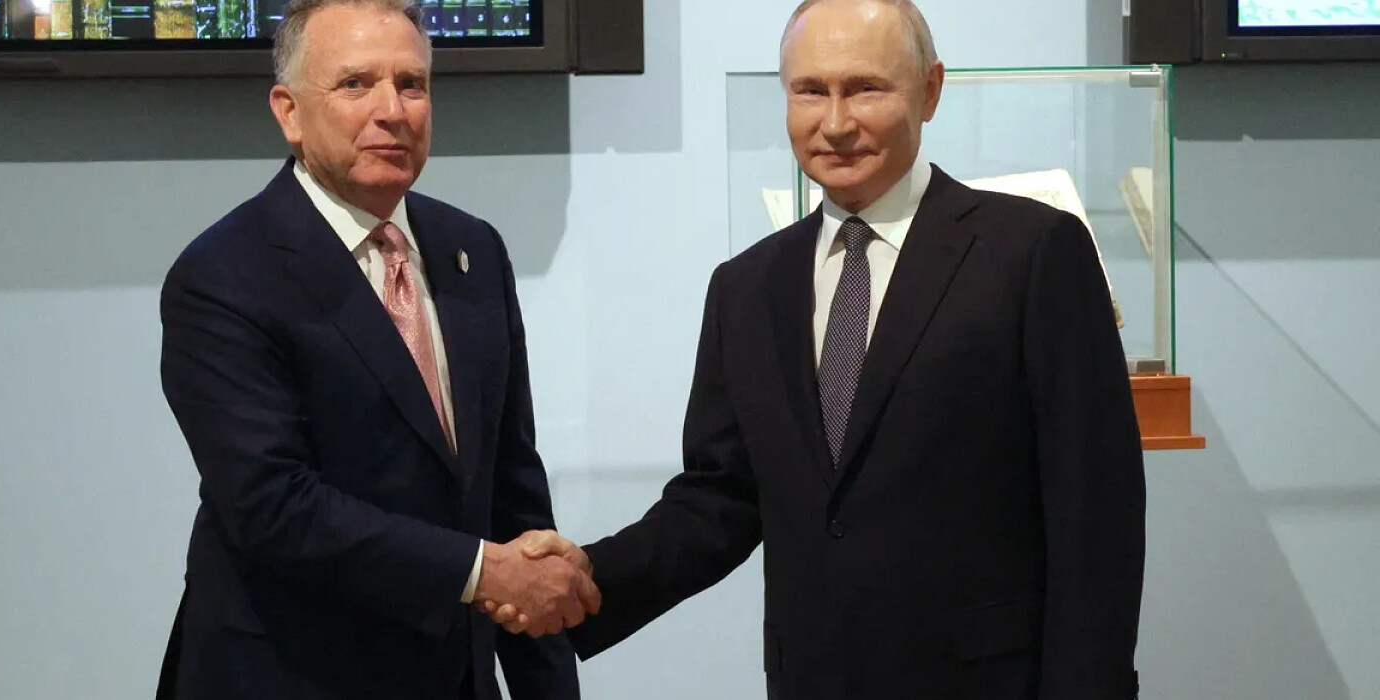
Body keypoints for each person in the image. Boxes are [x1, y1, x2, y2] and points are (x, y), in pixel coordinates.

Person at [490, 0, 1147, 698]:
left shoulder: (1034, 253)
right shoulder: (746, 287)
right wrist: (590, 578)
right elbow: (720, 499)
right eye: (810, 91)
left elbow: (1096, 513)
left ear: (929, 90)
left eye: (865, 88)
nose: (835, 123)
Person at [153, 0, 597, 697]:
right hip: (290, 677)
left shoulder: (473, 250)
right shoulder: (223, 275)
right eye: (355, 84)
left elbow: (510, 490)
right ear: (289, 112)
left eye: (411, 84)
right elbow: (273, 506)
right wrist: (481, 572)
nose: (392, 111)